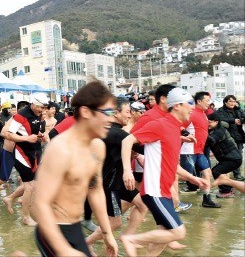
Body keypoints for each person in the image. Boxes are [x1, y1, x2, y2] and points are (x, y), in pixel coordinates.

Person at [32, 81, 118, 257]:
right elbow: (39, 205)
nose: (112, 119)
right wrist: (63, 249)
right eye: (107, 112)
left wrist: (107, 233)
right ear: (86, 111)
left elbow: (95, 190)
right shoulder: (60, 149)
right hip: (53, 229)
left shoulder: (97, 147)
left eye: (114, 113)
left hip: (75, 226)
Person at [121, 88, 209, 257]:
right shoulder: (160, 124)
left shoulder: (175, 129)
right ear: (177, 106)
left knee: (163, 234)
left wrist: (193, 178)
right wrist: (127, 170)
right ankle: (131, 238)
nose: (192, 108)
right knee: (178, 232)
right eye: (189, 104)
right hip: (155, 189)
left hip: (164, 190)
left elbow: (171, 164)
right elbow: (127, 141)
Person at [85, 97, 149, 256]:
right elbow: (143, 147)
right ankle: (85, 243)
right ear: (115, 113)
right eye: (127, 112)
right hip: (109, 184)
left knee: (142, 204)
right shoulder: (116, 133)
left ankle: (127, 237)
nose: (129, 115)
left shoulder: (112, 131)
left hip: (118, 181)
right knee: (115, 222)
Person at [2, 93, 49, 226]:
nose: (42, 110)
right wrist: (26, 139)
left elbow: (32, 130)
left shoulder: (38, 114)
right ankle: (26, 217)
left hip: (35, 151)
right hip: (21, 152)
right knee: (29, 186)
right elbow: (7, 134)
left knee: (34, 184)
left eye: (44, 108)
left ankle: (9, 198)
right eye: (40, 107)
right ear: (33, 103)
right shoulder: (20, 115)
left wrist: (40, 136)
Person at [178, 91, 220, 208]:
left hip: (199, 151)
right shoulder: (191, 114)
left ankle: (207, 199)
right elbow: (178, 126)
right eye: (207, 101)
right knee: (186, 177)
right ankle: (165, 191)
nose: (209, 103)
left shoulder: (204, 114)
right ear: (199, 101)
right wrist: (184, 134)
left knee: (207, 173)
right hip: (188, 151)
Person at [206, 112, 243, 197]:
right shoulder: (212, 130)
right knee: (220, 172)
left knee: (216, 171)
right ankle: (228, 189)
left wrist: (200, 133)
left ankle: (226, 192)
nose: (208, 124)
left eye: (210, 122)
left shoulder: (220, 131)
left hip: (233, 159)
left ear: (216, 122)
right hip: (228, 158)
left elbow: (211, 140)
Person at [215, 95, 245, 181]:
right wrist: (233, 121)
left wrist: (241, 120)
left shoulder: (238, 110)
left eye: (234, 101)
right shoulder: (221, 111)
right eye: (230, 101)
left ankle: (237, 174)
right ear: (225, 102)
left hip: (239, 136)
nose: (233, 103)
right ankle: (225, 174)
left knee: (239, 156)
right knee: (229, 157)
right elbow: (219, 120)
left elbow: (243, 116)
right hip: (227, 137)